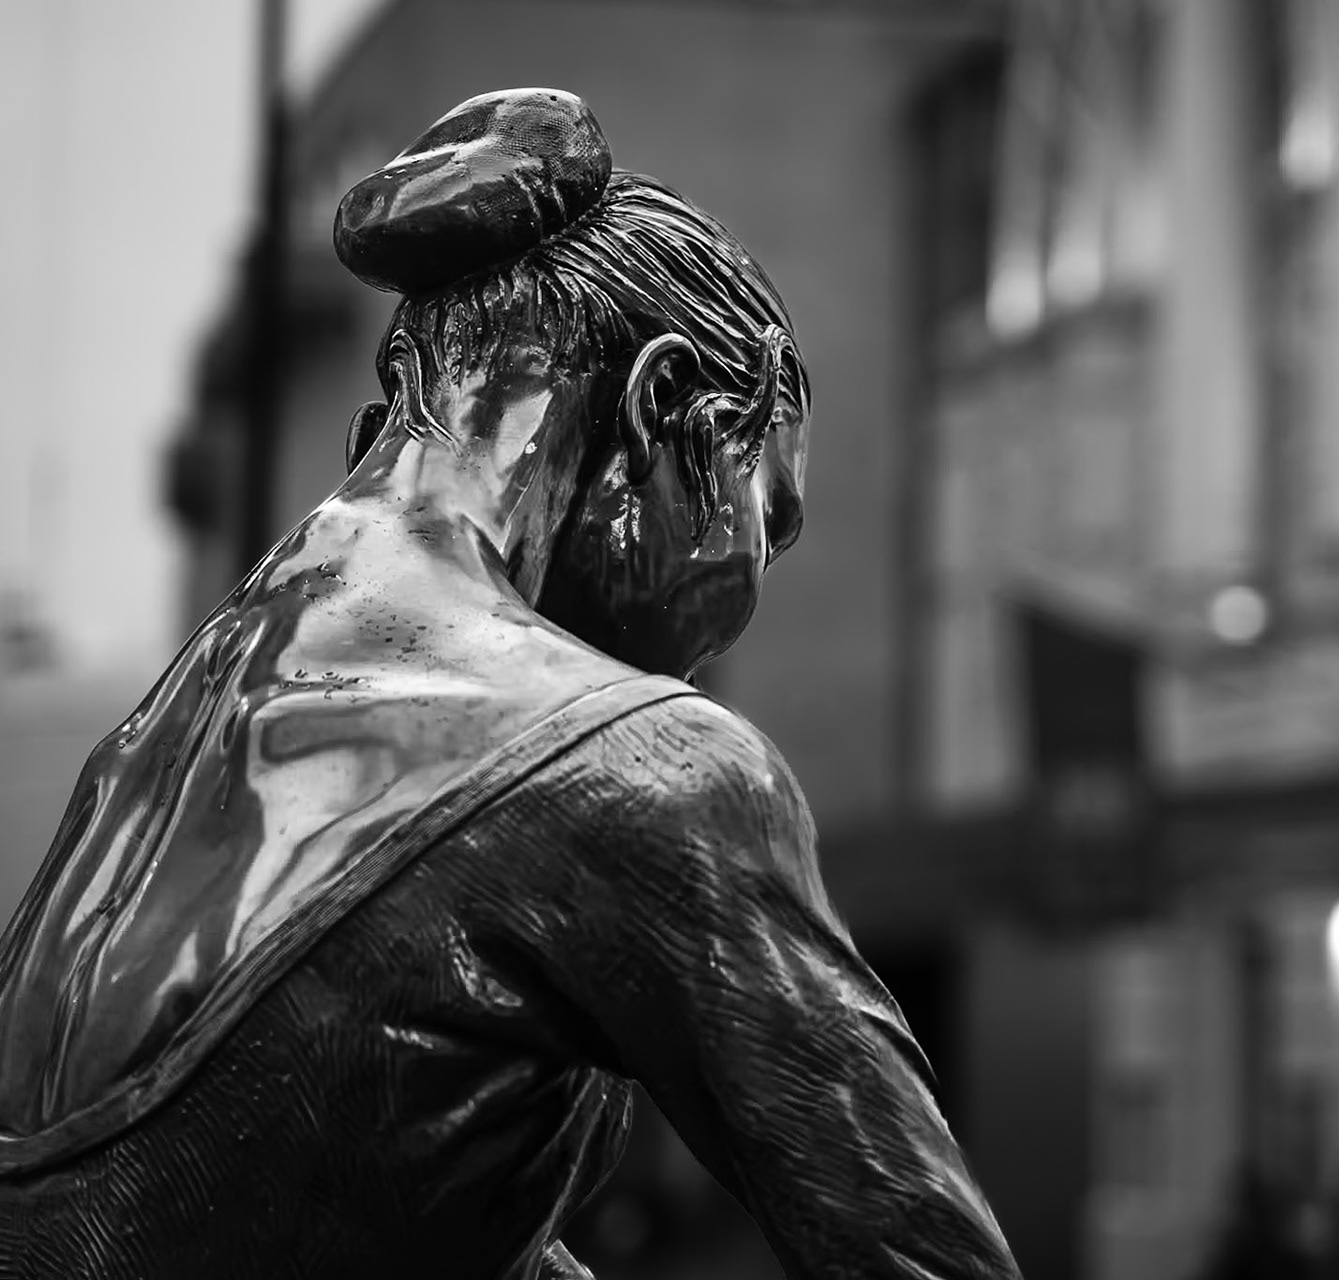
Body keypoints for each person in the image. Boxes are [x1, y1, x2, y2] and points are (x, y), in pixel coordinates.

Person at [0, 89, 1020, 1280]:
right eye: (763, 514)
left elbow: (337, 1185)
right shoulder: (641, 767)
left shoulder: (176, 721)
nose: (748, 585)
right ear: (659, 405)